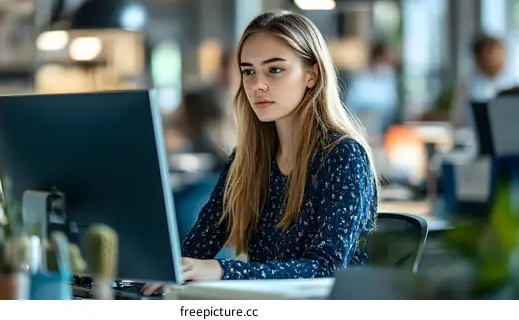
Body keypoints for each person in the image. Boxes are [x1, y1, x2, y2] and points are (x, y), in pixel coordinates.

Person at [143, 10, 378, 295]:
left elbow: (326, 267)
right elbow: (196, 249)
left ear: (312, 75)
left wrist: (222, 270)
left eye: (274, 69)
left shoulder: (343, 156)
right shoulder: (248, 159)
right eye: (248, 71)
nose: (257, 85)